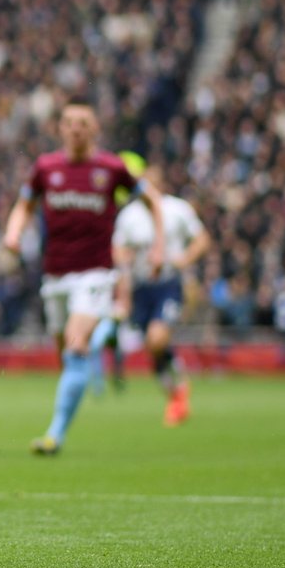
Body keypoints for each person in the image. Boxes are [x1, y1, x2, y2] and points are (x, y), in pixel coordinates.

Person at [3, 101, 165, 456]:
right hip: (55, 276)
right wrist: (13, 233)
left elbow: (153, 200)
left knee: (75, 345)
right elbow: (24, 204)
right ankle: (96, 345)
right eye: (69, 123)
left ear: (94, 129)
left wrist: (158, 248)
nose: (76, 128)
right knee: (66, 356)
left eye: (83, 123)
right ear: (59, 128)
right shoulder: (46, 168)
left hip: (95, 274)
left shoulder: (110, 168)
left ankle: (54, 435)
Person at [112, 164, 210, 426]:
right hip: (141, 287)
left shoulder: (177, 209)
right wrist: (124, 286)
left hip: (168, 283)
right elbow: (119, 252)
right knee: (152, 347)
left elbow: (202, 239)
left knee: (157, 339)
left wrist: (185, 258)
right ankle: (175, 394)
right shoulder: (129, 216)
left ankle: (179, 385)